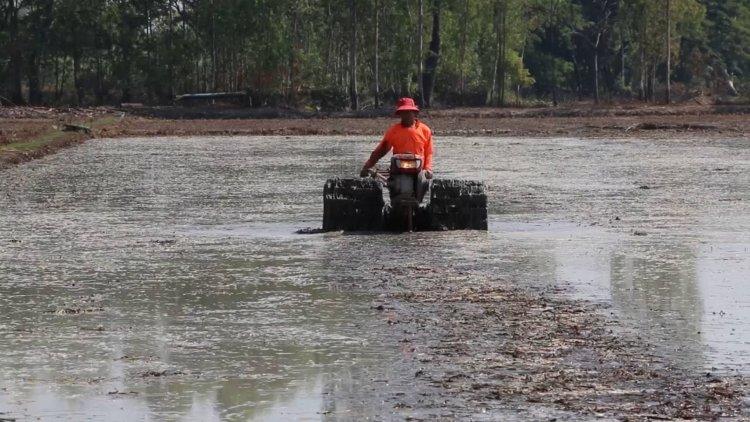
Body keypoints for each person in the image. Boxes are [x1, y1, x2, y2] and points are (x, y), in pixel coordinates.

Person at [360, 97, 434, 180]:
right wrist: (367, 166)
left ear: (414, 113)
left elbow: (429, 153)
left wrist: (428, 169)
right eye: (403, 113)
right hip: (399, 170)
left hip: (419, 171)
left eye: (408, 112)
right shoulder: (393, 131)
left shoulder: (425, 130)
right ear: (400, 114)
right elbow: (380, 151)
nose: (405, 115)